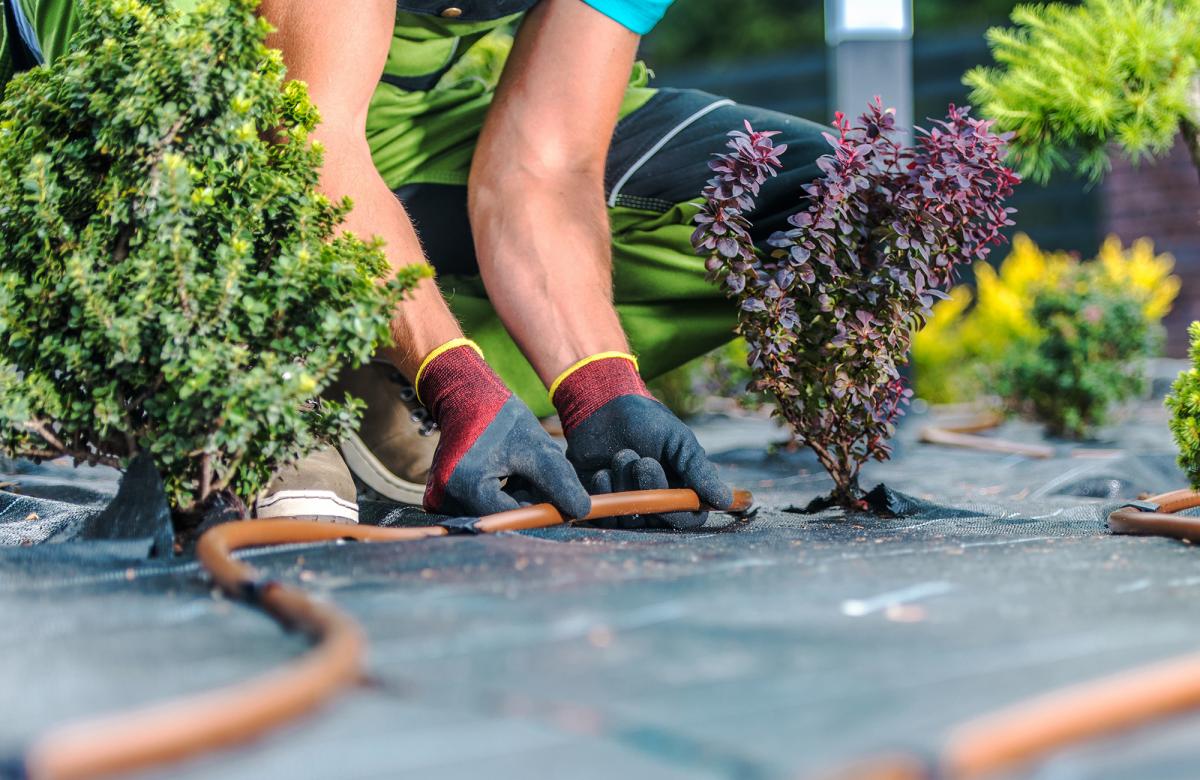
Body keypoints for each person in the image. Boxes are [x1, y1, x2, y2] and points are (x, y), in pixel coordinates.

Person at [1, 0, 827, 527]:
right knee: (202, 77)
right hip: (152, 58)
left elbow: (543, 164)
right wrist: (450, 374)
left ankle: (367, 371)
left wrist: (601, 388)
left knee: (821, 192)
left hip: (374, 106)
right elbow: (309, 128)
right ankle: (269, 372)